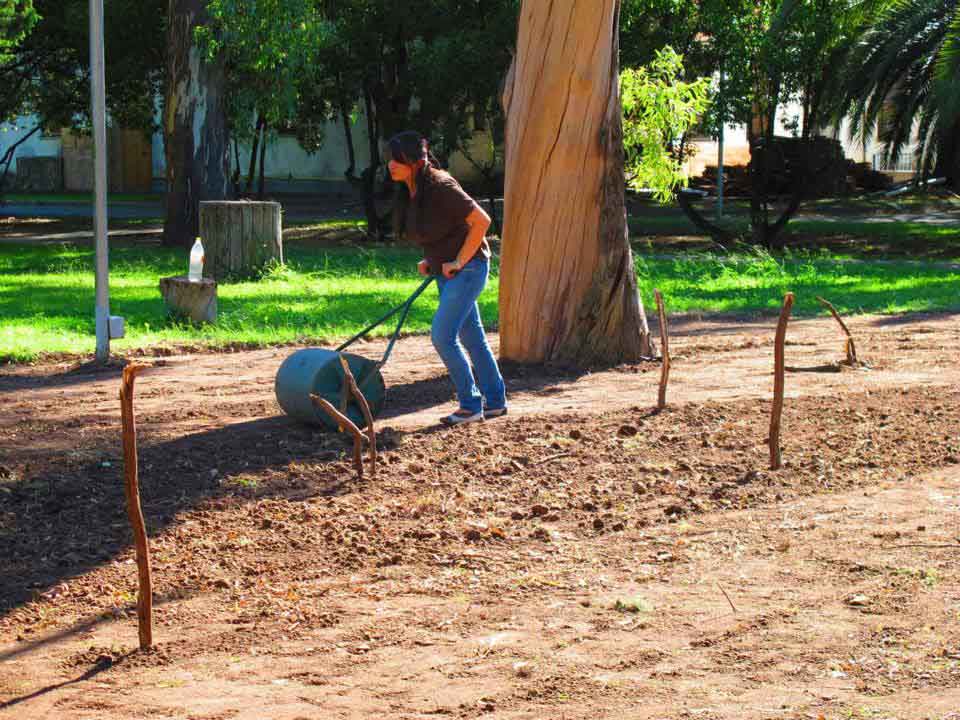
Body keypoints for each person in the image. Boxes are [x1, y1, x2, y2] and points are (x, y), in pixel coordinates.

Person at [387, 130, 507, 426]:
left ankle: (470, 405)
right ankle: (496, 402)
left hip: (469, 269)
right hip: (449, 271)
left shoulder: (441, 185)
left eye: (396, 160)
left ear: (414, 162)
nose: (390, 165)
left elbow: (482, 221)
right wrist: (432, 260)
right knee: (473, 338)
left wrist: (457, 261)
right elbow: (444, 229)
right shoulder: (415, 189)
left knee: (442, 336)